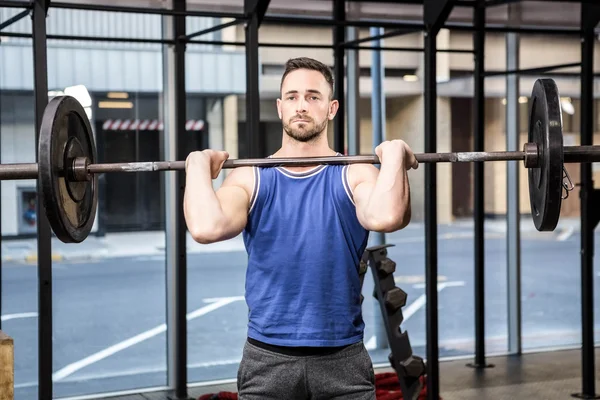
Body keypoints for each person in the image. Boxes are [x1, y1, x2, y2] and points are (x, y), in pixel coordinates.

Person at [184, 57, 418, 400]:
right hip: (267, 361)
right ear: (280, 108)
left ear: (331, 107)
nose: (302, 106)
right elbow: (206, 227)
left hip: (343, 359)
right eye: (292, 97)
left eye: (313, 96)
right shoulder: (251, 176)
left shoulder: (353, 172)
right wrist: (196, 165)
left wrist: (394, 155)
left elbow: (386, 217)